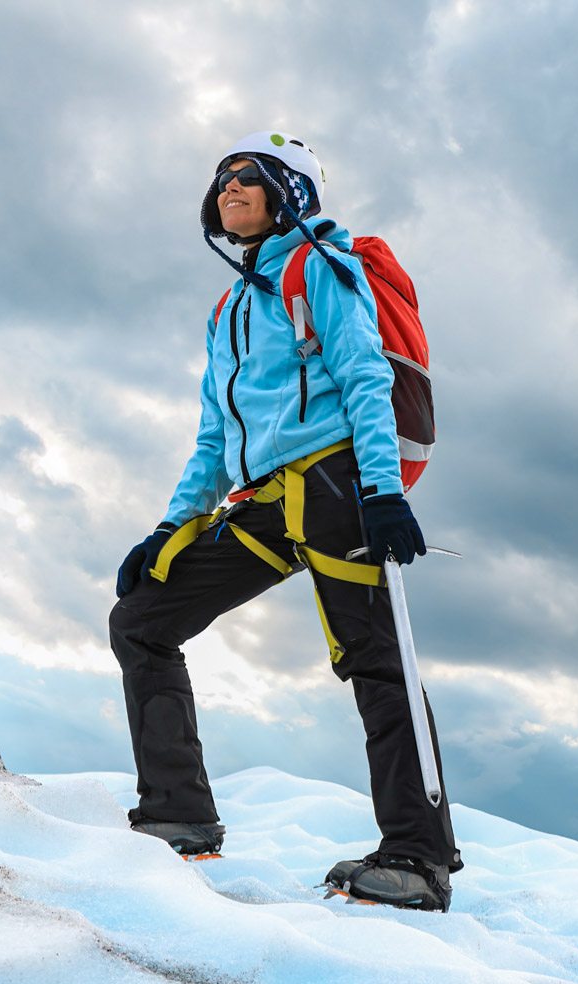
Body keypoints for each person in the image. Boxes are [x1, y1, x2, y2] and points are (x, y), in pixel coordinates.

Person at [108, 131, 461, 911]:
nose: (229, 186)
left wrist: (383, 490)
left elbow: (365, 374)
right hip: (266, 501)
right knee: (141, 619)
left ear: (289, 194)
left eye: (249, 176)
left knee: (376, 661)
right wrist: (170, 528)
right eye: (223, 177)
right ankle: (177, 816)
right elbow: (213, 436)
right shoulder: (230, 306)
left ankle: (418, 857)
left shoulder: (321, 268)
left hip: (336, 485)